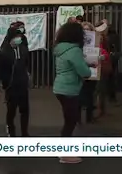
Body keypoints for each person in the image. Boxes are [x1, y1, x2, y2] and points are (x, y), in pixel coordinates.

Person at [52, 22, 91, 164]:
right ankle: (65, 154)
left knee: (69, 120)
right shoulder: (74, 50)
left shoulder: (61, 48)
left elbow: (71, 65)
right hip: (70, 89)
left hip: (60, 87)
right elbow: (84, 72)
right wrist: (88, 67)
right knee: (70, 122)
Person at [0, 27, 31, 137]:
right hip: (11, 86)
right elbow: (1, 70)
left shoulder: (23, 49)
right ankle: (11, 132)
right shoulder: (4, 52)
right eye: (16, 37)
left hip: (22, 84)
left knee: (25, 110)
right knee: (11, 111)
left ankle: (25, 133)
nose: (19, 39)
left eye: (20, 37)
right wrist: (5, 84)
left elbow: (26, 64)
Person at [80, 22, 99, 124]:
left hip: (93, 71)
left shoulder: (96, 40)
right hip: (80, 71)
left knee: (90, 94)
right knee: (80, 94)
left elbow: (101, 50)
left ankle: (89, 116)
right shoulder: (77, 42)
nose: (86, 31)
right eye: (84, 29)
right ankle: (77, 118)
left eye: (88, 29)